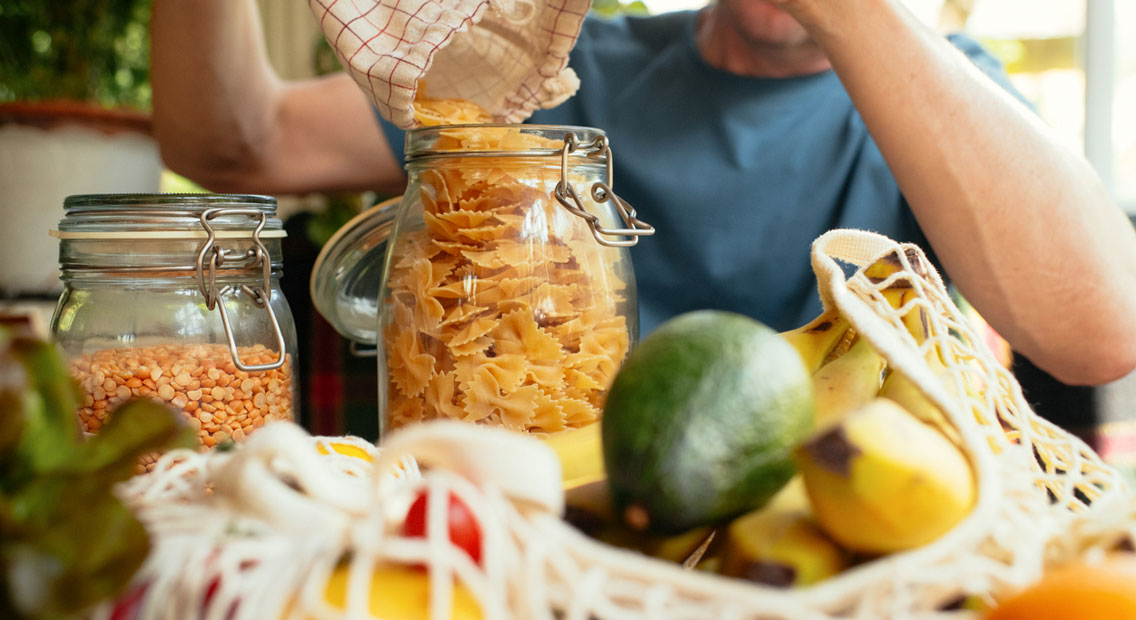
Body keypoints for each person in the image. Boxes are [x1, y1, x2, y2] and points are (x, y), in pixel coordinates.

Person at [150, 0, 1136, 388]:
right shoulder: (556, 67)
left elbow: (1099, 329)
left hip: (822, 565)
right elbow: (235, 142)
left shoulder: (937, 95)